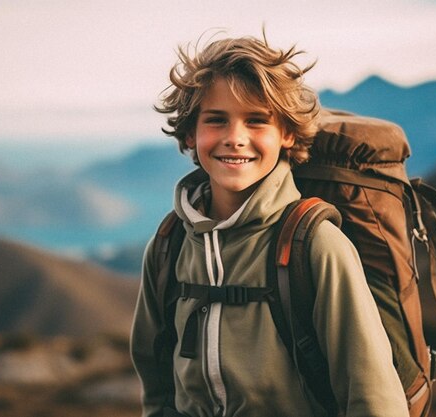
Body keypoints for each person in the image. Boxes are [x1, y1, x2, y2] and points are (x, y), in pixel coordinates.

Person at [131, 32, 409, 417]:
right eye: (216, 120)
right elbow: (157, 386)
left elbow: (373, 398)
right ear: (191, 134)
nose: (235, 138)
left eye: (256, 121)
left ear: (288, 134)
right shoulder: (169, 246)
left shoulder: (317, 246)